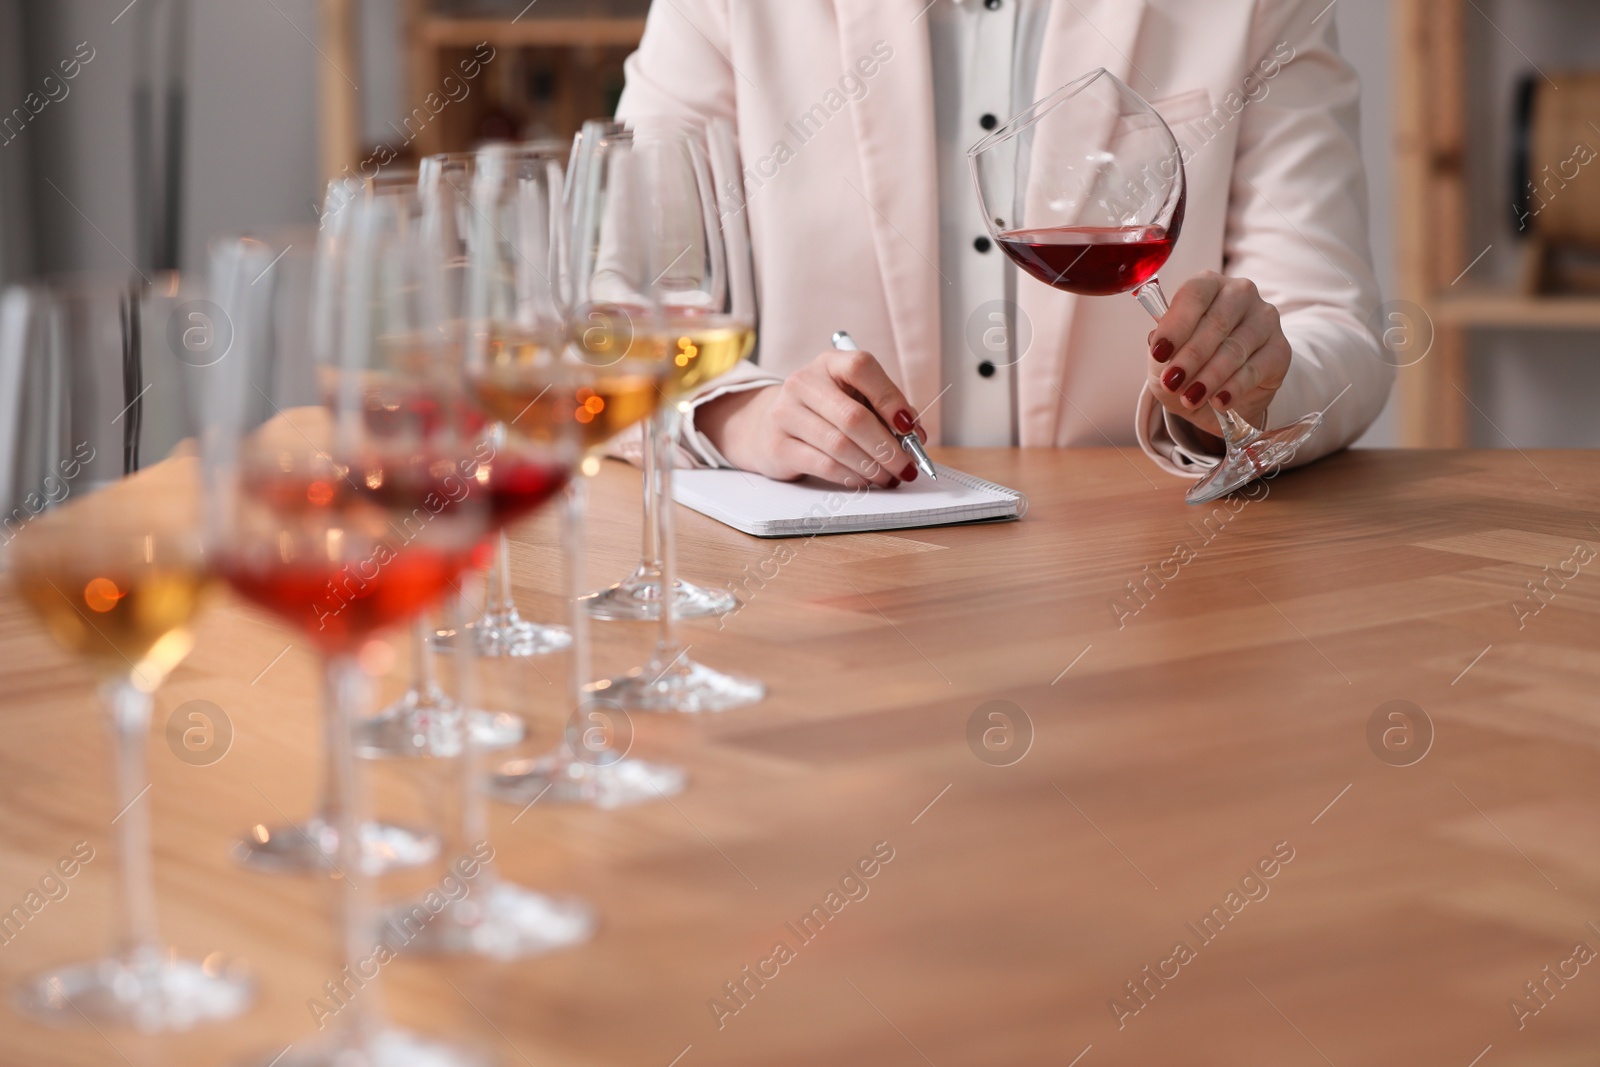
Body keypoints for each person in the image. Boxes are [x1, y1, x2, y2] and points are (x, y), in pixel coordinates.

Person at [616, 0, 1392, 491]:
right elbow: (607, 325)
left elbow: (1337, 326)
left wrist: (1244, 393)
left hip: (1154, 580)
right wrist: (744, 419)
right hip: (839, 593)